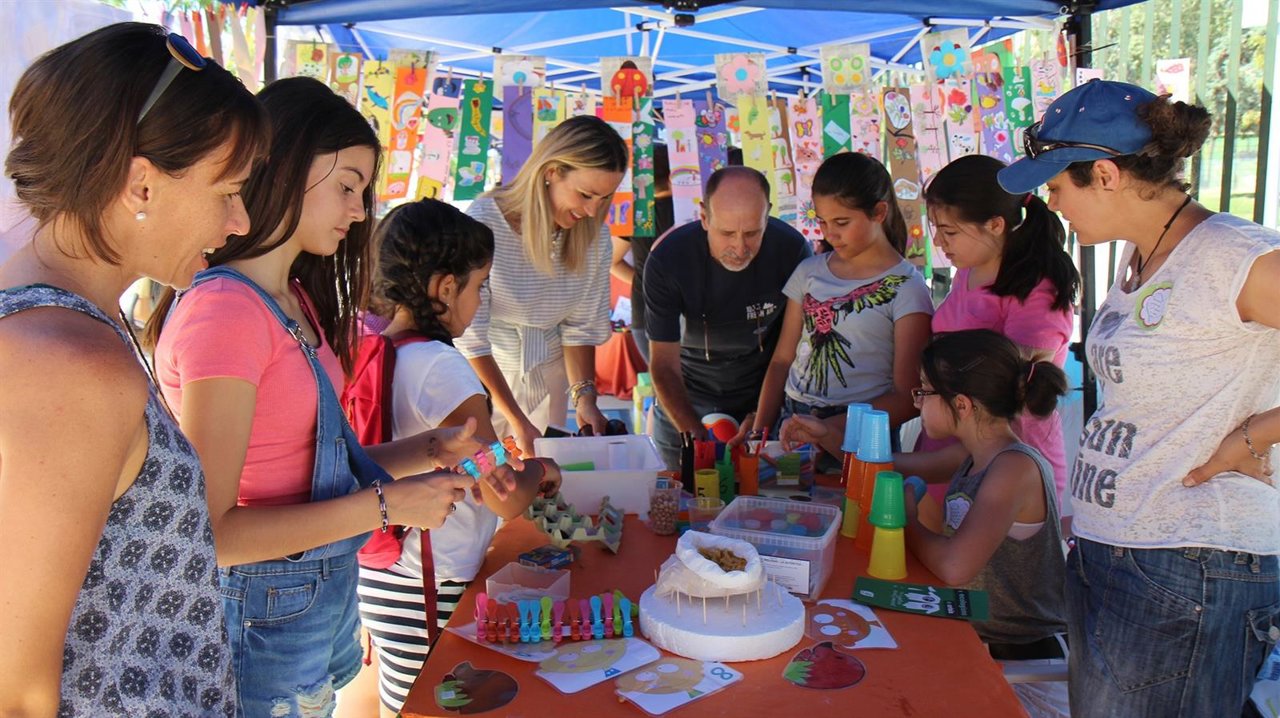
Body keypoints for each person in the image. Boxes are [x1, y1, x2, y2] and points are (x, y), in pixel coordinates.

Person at [145, 78, 512, 717]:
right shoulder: (228, 312)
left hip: (308, 608)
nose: (361, 210)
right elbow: (213, 533)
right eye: (346, 185)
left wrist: (427, 448)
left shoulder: (292, 302)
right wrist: (385, 504)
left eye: (364, 190)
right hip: (259, 622)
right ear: (283, 169)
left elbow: (304, 462)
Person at [0, 24, 266, 716]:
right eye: (228, 190)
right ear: (140, 182)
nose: (238, 221)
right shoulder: (68, 365)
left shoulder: (66, 326)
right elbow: (15, 689)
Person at [999, 79, 1280, 717]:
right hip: (1118, 553)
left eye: (1055, 185)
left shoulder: (1236, 257)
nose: (1051, 202)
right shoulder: (1146, 251)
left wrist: (1251, 437)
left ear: (1103, 174)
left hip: (1190, 563)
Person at [351, 199, 564, 716]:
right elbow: (504, 496)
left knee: (402, 703)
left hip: (381, 575)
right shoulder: (445, 370)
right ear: (446, 288)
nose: (480, 298)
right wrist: (542, 470)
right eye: (479, 285)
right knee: (431, 707)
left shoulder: (378, 348)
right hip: (431, 585)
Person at [901, 330, 1069, 718]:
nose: (918, 402)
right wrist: (827, 437)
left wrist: (907, 519)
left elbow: (955, 566)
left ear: (960, 404)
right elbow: (889, 462)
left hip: (1031, 674)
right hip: (986, 651)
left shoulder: (1013, 467)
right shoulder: (973, 454)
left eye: (924, 392)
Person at [458, 116, 628, 453]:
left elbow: (579, 330)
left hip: (549, 379)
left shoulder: (594, 239)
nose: (594, 211)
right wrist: (516, 417)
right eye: (585, 195)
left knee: (541, 485)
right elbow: (471, 340)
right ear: (551, 172)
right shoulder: (484, 224)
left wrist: (585, 398)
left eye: (604, 198)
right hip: (482, 382)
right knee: (482, 484)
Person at [746, 152, 932, 454]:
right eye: (822, 222)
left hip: (864, 435)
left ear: (879, 212)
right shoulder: (808, 272)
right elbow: (781, 360)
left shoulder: (908, 288)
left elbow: (907, 397)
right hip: (794, 422)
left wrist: (832, 430)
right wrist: (759, 435)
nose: (830, 233)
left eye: (842, 222)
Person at [918, 154, 1079, 501]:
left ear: (995, 224)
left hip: (1002, 464)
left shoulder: (1037, 289)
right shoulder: (969, 270)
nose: (940, 244)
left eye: (949, 232)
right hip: (952, 448)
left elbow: (1010, 383)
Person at [644, 166, 811, 469]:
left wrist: (762, 420)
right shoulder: (668, 260)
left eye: (752, 233)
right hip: (687, 393)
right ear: (704, 218)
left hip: (762, 396)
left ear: (768, 215)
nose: (739, 247)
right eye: (726, 233)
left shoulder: (792, 251)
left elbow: (789, 355)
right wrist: (693, 433)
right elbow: (664, 365)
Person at [610, 143, 674, 364]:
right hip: (687, 314)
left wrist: (643, 281)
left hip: (644, 312)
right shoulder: (693, 211)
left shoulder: (636, 215)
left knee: (664, 386)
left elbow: (612, 261)